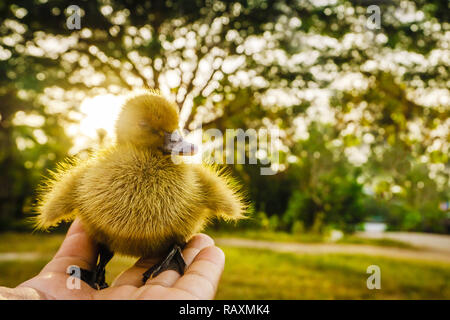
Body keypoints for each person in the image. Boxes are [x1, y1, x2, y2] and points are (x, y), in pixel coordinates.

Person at [0, 219, 225, 299]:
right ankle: (98, 267)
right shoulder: (104, 171)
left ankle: (172, 250)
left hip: (166, 237)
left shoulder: (184, 177)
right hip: (108, 234)